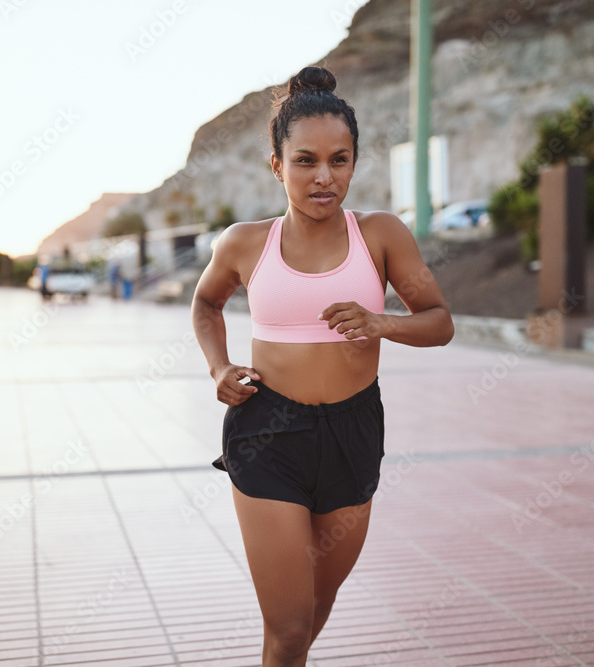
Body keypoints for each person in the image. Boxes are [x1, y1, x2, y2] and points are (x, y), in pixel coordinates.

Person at [191, 65, 454, 666]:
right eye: (305, 160)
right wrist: (218, 368)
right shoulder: (244, 243)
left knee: (315, 605)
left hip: (353, 432)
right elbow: (206, 303)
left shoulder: (382, 236)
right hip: (268, 434)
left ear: (355, 162)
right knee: (286, 628)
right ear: (278, 165)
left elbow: (439, 321)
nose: (324, 177)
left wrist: (380, 322)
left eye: (340, 160)